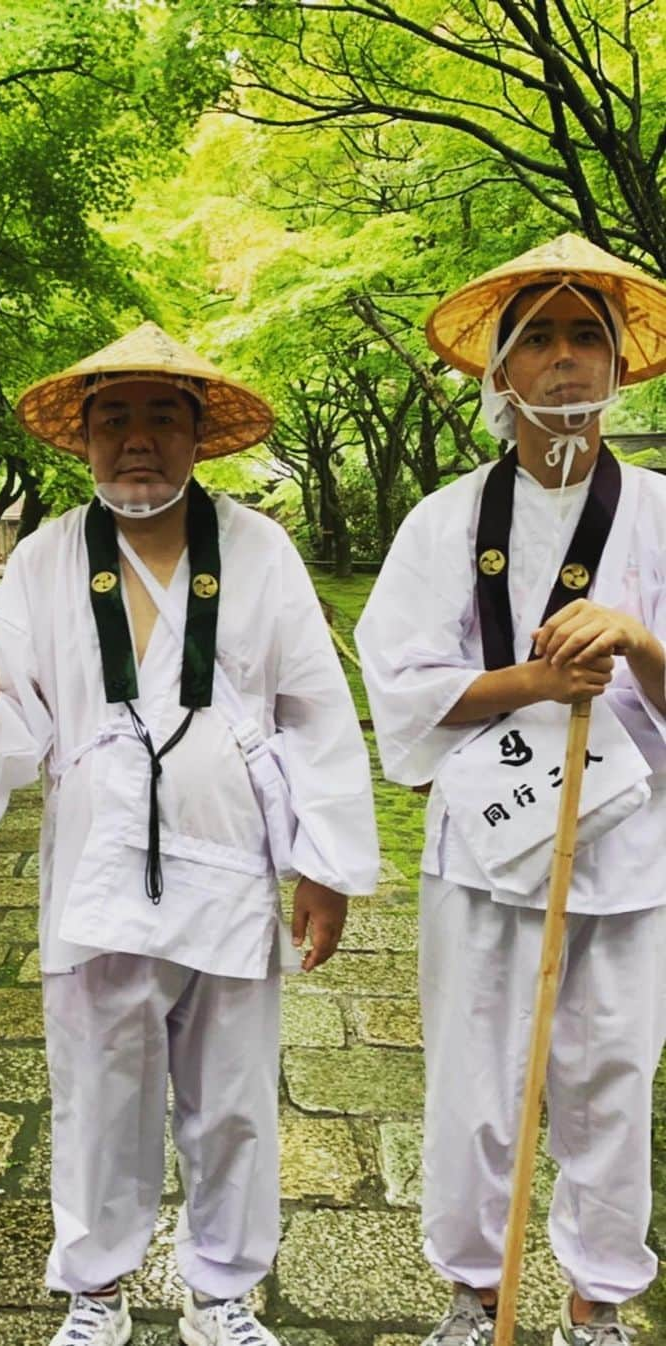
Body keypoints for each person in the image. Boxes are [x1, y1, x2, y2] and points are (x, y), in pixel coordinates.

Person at [0, 322, 379, 1346]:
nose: (138, 438)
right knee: (98, 1087)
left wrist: (326, 862)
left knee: (231, 1097)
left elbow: (314, 705)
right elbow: (13, 706)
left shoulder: (258, 549)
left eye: (161, 416)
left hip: (230, 858)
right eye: (116, 417)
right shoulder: (47, 557)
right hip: (98, 865)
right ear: (84, 437)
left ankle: (222, 1287)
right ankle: (97, 1287)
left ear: (197, 434)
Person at [355, 234, 666, 1346]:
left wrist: (635, 640)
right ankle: (473, 1289)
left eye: (590, 334)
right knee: (474, 1074)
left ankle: (597, 1297)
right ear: (501, 369)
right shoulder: (444, 520)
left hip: (629, 845)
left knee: (611, 1072)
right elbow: (397, 677)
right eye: (539, 336)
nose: (567, 359)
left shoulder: (661, 511)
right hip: (486, 842)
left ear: (622, 365)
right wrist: (534, 677)